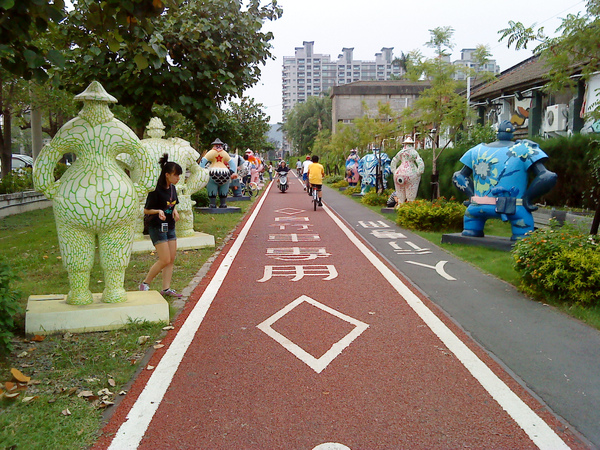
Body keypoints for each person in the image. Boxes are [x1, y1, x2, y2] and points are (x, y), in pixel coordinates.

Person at [139, 154, 183, 297]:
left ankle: (166, 288)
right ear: (167, 175)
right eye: (175, 175)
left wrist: (174, 211)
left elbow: (171, 204)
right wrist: (158, 211)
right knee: (164, 259)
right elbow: (146, 210)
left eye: (179, 175)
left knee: (171, 259)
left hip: (170, 226)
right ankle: (145, 283)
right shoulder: (155, 191)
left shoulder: (172, 189)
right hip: (157, 226)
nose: (178, 178)